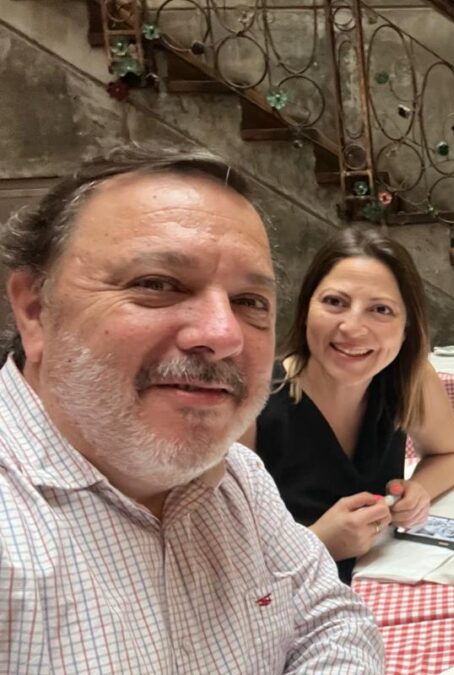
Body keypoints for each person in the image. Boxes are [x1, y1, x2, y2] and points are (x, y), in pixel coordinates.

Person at [0, 146, 383, 672]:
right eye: (157, 284)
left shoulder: (238, 478)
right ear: (35, 309)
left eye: (249, 302)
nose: (223, 335)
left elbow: (330, 619)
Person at [243, 227, 454, 583]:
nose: (352, 328)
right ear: (305, 310)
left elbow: (451, 454)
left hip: (386, 588)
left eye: (380, 309)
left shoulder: (409, 379)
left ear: (407, 328)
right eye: (335, 302)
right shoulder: (253, 402)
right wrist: (318, 543)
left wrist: (419, 489)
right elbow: (216, 556)